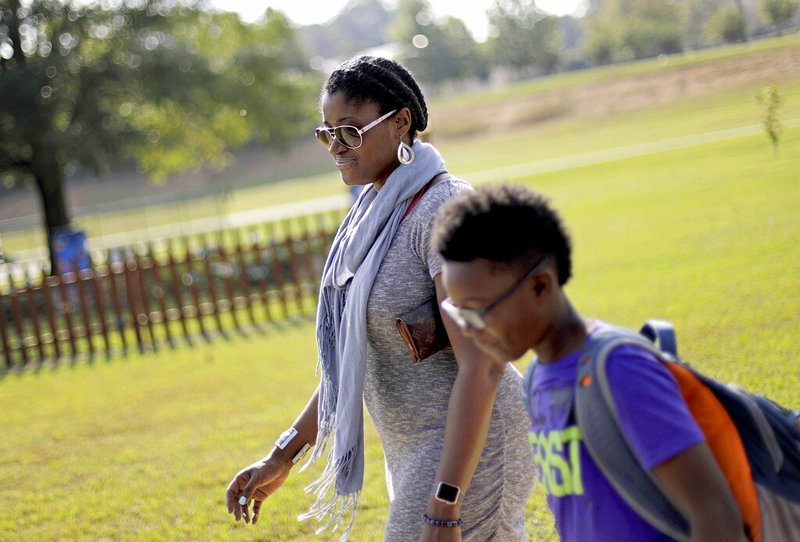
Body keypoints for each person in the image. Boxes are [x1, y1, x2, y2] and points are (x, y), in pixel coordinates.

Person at [225, 57, 536, 541]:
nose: (336, 148)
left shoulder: (445, 208)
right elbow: (352, 359)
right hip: (417, 449)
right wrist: (281, 454)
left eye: (350, 131)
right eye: (327, 133)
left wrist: (445, 500)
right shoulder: (371, 216)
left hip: (474, 446)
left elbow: (484, 364)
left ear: (400, 122)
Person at [431, 184, 750, 542]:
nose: (470, 332)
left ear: (540, 286)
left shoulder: (619, 369)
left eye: (479, 312)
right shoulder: (537, 379)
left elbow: (715, 511)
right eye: (459, 314)